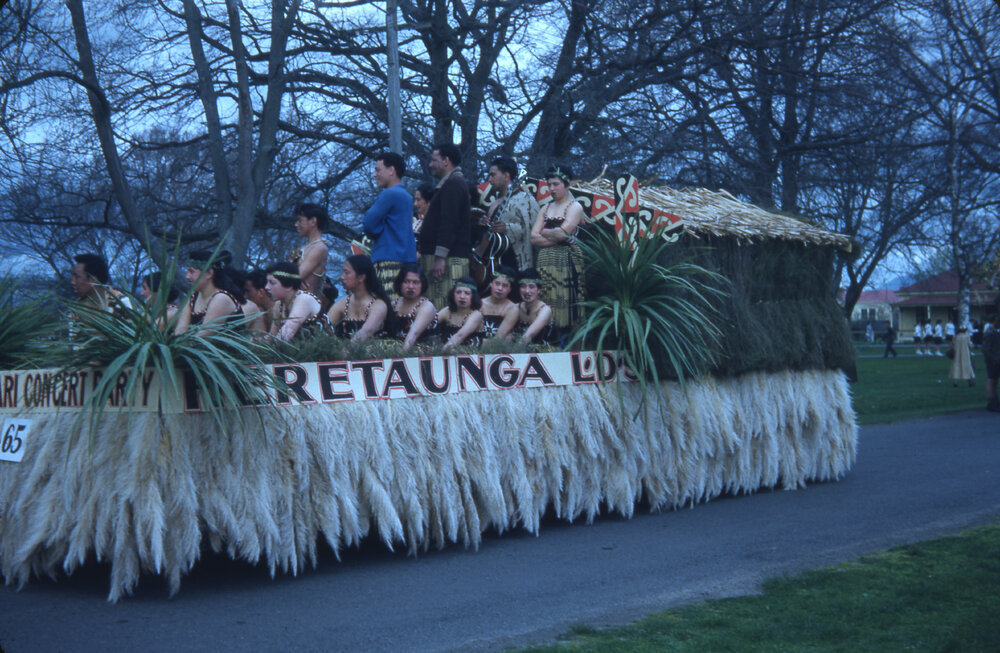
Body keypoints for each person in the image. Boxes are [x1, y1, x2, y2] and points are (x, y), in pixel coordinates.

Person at [530, 165, 587, 337]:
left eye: (556, 184)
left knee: (569, 302)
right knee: (547, 298)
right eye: (549, 185)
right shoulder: (545, 208)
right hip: (546, 261)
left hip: (568, 261)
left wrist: (547, 233)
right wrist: (554, 236)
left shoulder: (575, 206)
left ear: (566, 184)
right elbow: (533, 238)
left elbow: (562, 234)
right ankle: (548, 338)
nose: (552, 189)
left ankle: (569, 339)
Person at [418, 143, 471, 307]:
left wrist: (440, 258)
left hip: (449, 260)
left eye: (434, 160)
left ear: (446, 161)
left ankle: (442, 332)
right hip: (443, 257)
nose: (430, 164)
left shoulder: (453, 184)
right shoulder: (449, 184)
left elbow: (449, 222)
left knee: (443, 303)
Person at [362, 152, 417, 299]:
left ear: (391, 170)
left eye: (378, 170)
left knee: (385, 305)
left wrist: (377, 231)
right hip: (406, 260)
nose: (375, 175)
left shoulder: (389, 194)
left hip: (387, 259)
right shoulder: (407, 196)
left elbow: (368, 223)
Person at [479, 156, 540, 273]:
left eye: (493, 175)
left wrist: (508, 228)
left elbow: (534, 230)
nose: (489, 179)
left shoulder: (525, 199)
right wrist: (483, 225)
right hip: (493, 263)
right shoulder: (494, 203)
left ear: (506, 176)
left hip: (517, 263)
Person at [175, 249, 244, 335]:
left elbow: (202, 338)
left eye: (191, 272)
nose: (187, 277)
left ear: (209, 273)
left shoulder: (221, 298)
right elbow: (180, 332)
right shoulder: (193, 297)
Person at [327, 254, 390, 342]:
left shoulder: (378, 305)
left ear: (361, 277)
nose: (342, 277)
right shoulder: (342, 304)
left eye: (347, 273)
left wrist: (345, 352)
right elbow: (325, 329)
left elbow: (367, 331)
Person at [264, 262, 328, 342]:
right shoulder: (278, 305)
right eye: (267, 282)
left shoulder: (304, 299)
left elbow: (287, 332)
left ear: (289, 285)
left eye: (272, 283)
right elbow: (272, 337)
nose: (266, 287)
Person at [390, 264, 437, 350]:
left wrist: (399, 358)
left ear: (422, 284)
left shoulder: (426, 307)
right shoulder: (394, 304)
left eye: (415, 282)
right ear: (400, 283)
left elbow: (413, 334)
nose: (411, 286)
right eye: (406, 281)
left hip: (420, 354)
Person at [290, 203, 329, 295]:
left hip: (305, 305)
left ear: (313, 221)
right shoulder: (305, 247)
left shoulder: (320, 248)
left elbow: (293, 278)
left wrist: (295, 279)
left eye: (300, 221)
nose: (296, 225)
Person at [436, 276, 484, 348]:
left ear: (473, 296)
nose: (462, 296)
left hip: (472, 357)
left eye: (467, 293)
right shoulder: (447, 311)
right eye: (458, 292)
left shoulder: (476, 315)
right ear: (453, 294)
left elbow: (460, 336)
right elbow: (430, 324)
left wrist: (442, 354)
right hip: (448, 356)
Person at [479, 266, 520, 340]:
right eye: (497, 284)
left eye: (505, 286)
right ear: (491, 284)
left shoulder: (512, 308)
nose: (500, 288)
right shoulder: (479, 304)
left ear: (510, 289)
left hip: (499, 348)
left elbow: (498, 338)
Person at [515, 269, 554, 345]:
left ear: (538, 290)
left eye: (531, 287)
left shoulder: (545, 310)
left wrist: (513, 352)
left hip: (545, 353)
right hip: (521, 352)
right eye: (523, 286)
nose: (527, 291)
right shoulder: (517, 307)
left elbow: (528, 335)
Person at [243, 269, 274, 334]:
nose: (245, 296)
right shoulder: (261, 312)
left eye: (248, 291)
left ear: (261, 292)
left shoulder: (279, 311)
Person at [981, 316, 999, 412]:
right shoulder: (990, 332)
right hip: (992, 360)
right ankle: (991, 402)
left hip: (996, 359)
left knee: (994, 381)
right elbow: (986, 348)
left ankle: (995, 400)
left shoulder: (994, 331)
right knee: (991, 380)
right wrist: (992, 359)